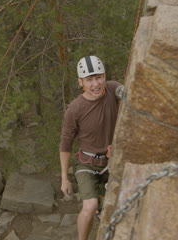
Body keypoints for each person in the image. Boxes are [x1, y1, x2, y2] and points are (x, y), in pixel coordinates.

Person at [59, 56, 123, 240]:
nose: (95, 84)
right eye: (89, 80)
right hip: (87, 164)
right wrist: (65, 178)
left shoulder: (111, 88)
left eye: (99, 77)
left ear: (105, 76)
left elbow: (125, 92)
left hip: (112, 161)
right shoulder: (75, 109)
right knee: (90, 206)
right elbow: (65, 143)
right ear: (81, 82)